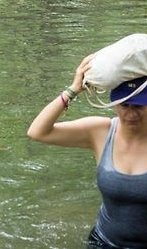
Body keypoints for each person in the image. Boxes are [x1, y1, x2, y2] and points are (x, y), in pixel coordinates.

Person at [27, 54, 147, 248]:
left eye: (139, 106)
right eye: (124, 104)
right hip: (103, 242)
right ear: (114, 104)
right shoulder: (100, 132)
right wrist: (73, 89)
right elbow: (38, 132)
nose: (131, 113)